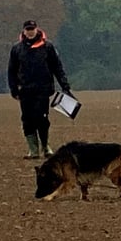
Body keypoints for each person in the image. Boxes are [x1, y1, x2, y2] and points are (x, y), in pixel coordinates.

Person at [8, 19, 73, 159]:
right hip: (25, 91)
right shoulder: (17, 49)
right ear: (24, 31)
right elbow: (12, 71)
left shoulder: (48, 47)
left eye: (32, 29)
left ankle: (45, 146)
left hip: (43, 90)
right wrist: (13, 89)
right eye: (28, 29)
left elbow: (57, 68)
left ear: (37, 29)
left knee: (42, 119)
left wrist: (65, 86)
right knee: (27, 119)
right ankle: (33, 149)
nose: (30, 32)